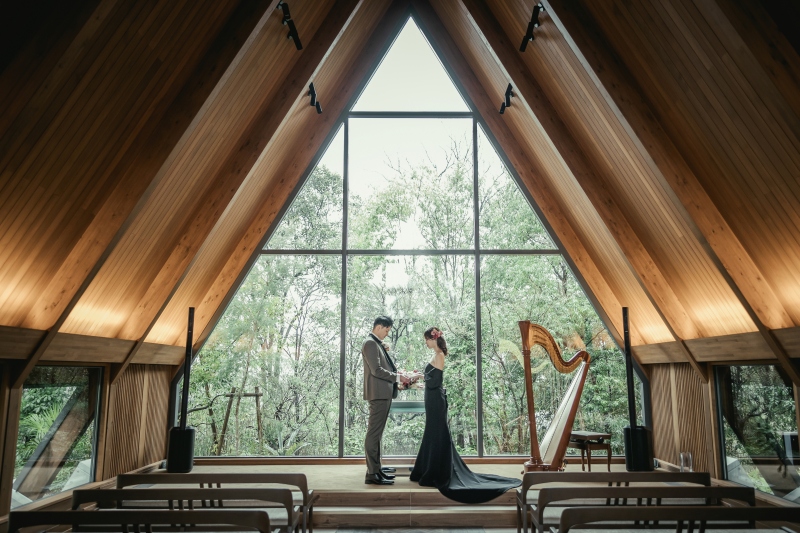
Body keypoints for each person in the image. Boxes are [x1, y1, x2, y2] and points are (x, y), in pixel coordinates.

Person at [410, 327, 521, 503]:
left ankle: (434, 469)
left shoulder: (439, 356)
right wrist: (421, 377)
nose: (425, 342)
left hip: (436, 400)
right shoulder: (436, 355)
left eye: (426, 339)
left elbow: (436, 381)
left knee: (437, 433)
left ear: (433, 339)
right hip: (432, 399)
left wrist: (419, 377)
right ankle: (426, 467)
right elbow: (432, 380)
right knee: (432, 432)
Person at [362, 315, 410, 485]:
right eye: (387, 330)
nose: (387, 334)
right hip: (378, 394)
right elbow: (376, 370)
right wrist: (398, 377)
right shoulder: (370, 343)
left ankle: (376, 469)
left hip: (382, 393)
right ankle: (372, 474)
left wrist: (396, 380)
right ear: (379, 327)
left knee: (377, 434)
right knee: (374, 434)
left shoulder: (376, 344)